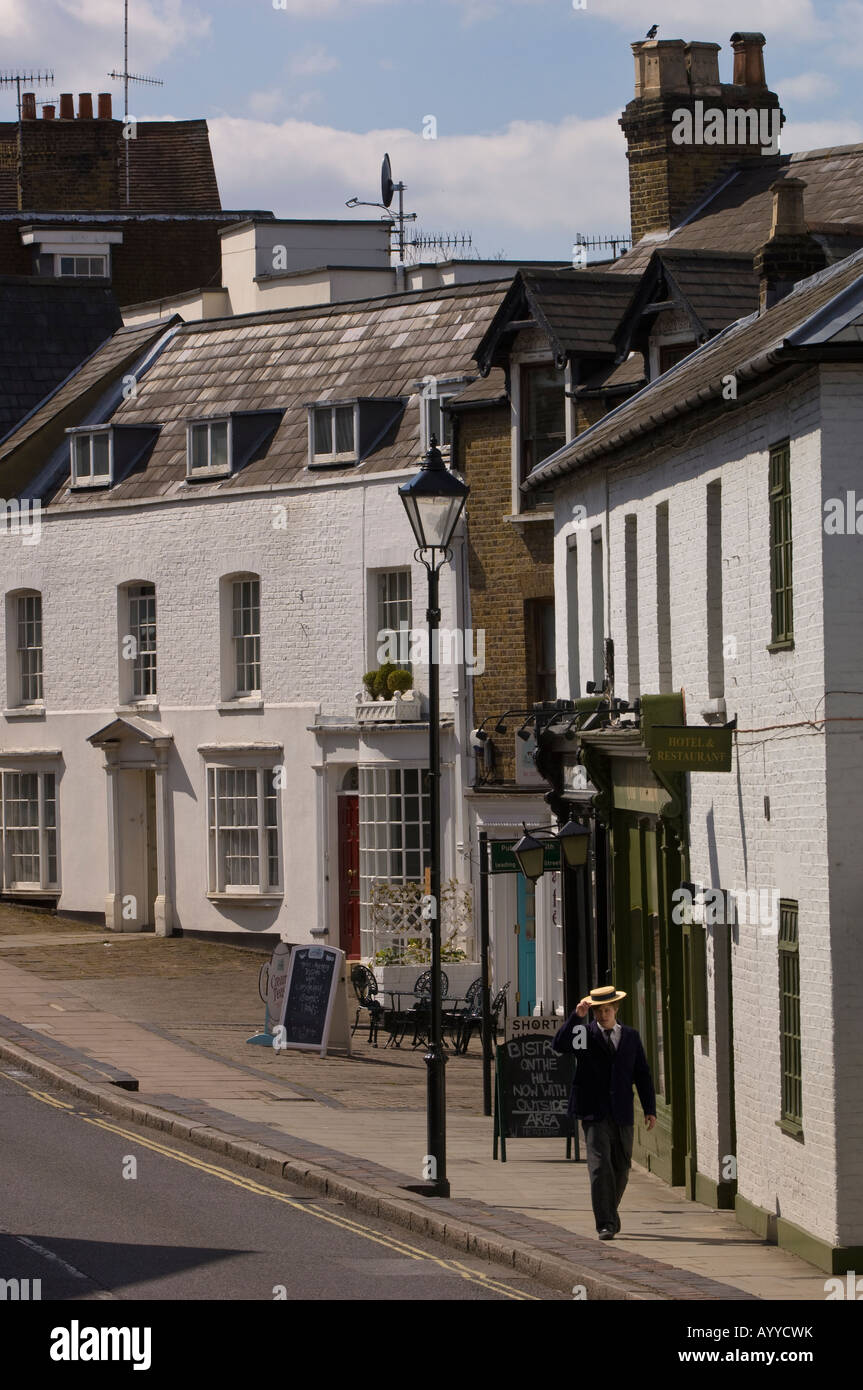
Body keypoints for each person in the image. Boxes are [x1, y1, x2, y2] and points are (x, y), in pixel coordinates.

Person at [552, 984, 656, 1240]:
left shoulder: (630, 1037)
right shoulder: (584, 1034)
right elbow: (560, 1045)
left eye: (606, 1010)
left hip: (621, 1110)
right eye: (597, 1011)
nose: (602, 1016)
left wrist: (650, 1109)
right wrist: (576, 1016)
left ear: (616, 1009)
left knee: (621, 1167)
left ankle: (609, 1211)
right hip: (592, 1110)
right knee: (599, 1167)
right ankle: (605, 1223)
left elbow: (642, 1074)